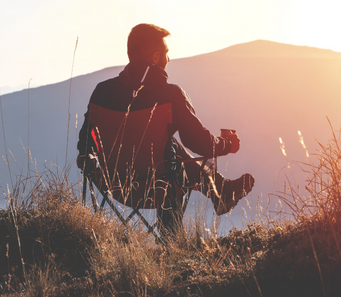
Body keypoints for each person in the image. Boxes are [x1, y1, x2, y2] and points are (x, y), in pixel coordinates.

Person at [77, 23, 255, 238]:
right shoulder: (169, 95)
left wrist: (91, 162)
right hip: (158, 187)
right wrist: (227, 144)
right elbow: (200, 143)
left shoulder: (102, 92)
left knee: (168, 144)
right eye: (166, 54)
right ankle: (176, 234)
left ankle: (221, 190)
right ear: (154, 58)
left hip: (113, 184)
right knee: (171, 156)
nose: (168, 60)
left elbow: (86, 143)